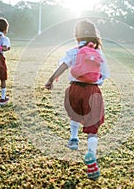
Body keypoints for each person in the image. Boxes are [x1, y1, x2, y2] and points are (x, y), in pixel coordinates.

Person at [45, 20, 109, 180]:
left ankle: (73, 138)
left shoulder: (73, 51)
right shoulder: (99, 53)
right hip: (93, 92)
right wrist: (96, 80)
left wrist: (51, 79)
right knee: (92, 125)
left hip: (74, 89)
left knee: (75, 113)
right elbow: (105, 74)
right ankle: (91, 154)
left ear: (76, 35)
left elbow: (63, 66)